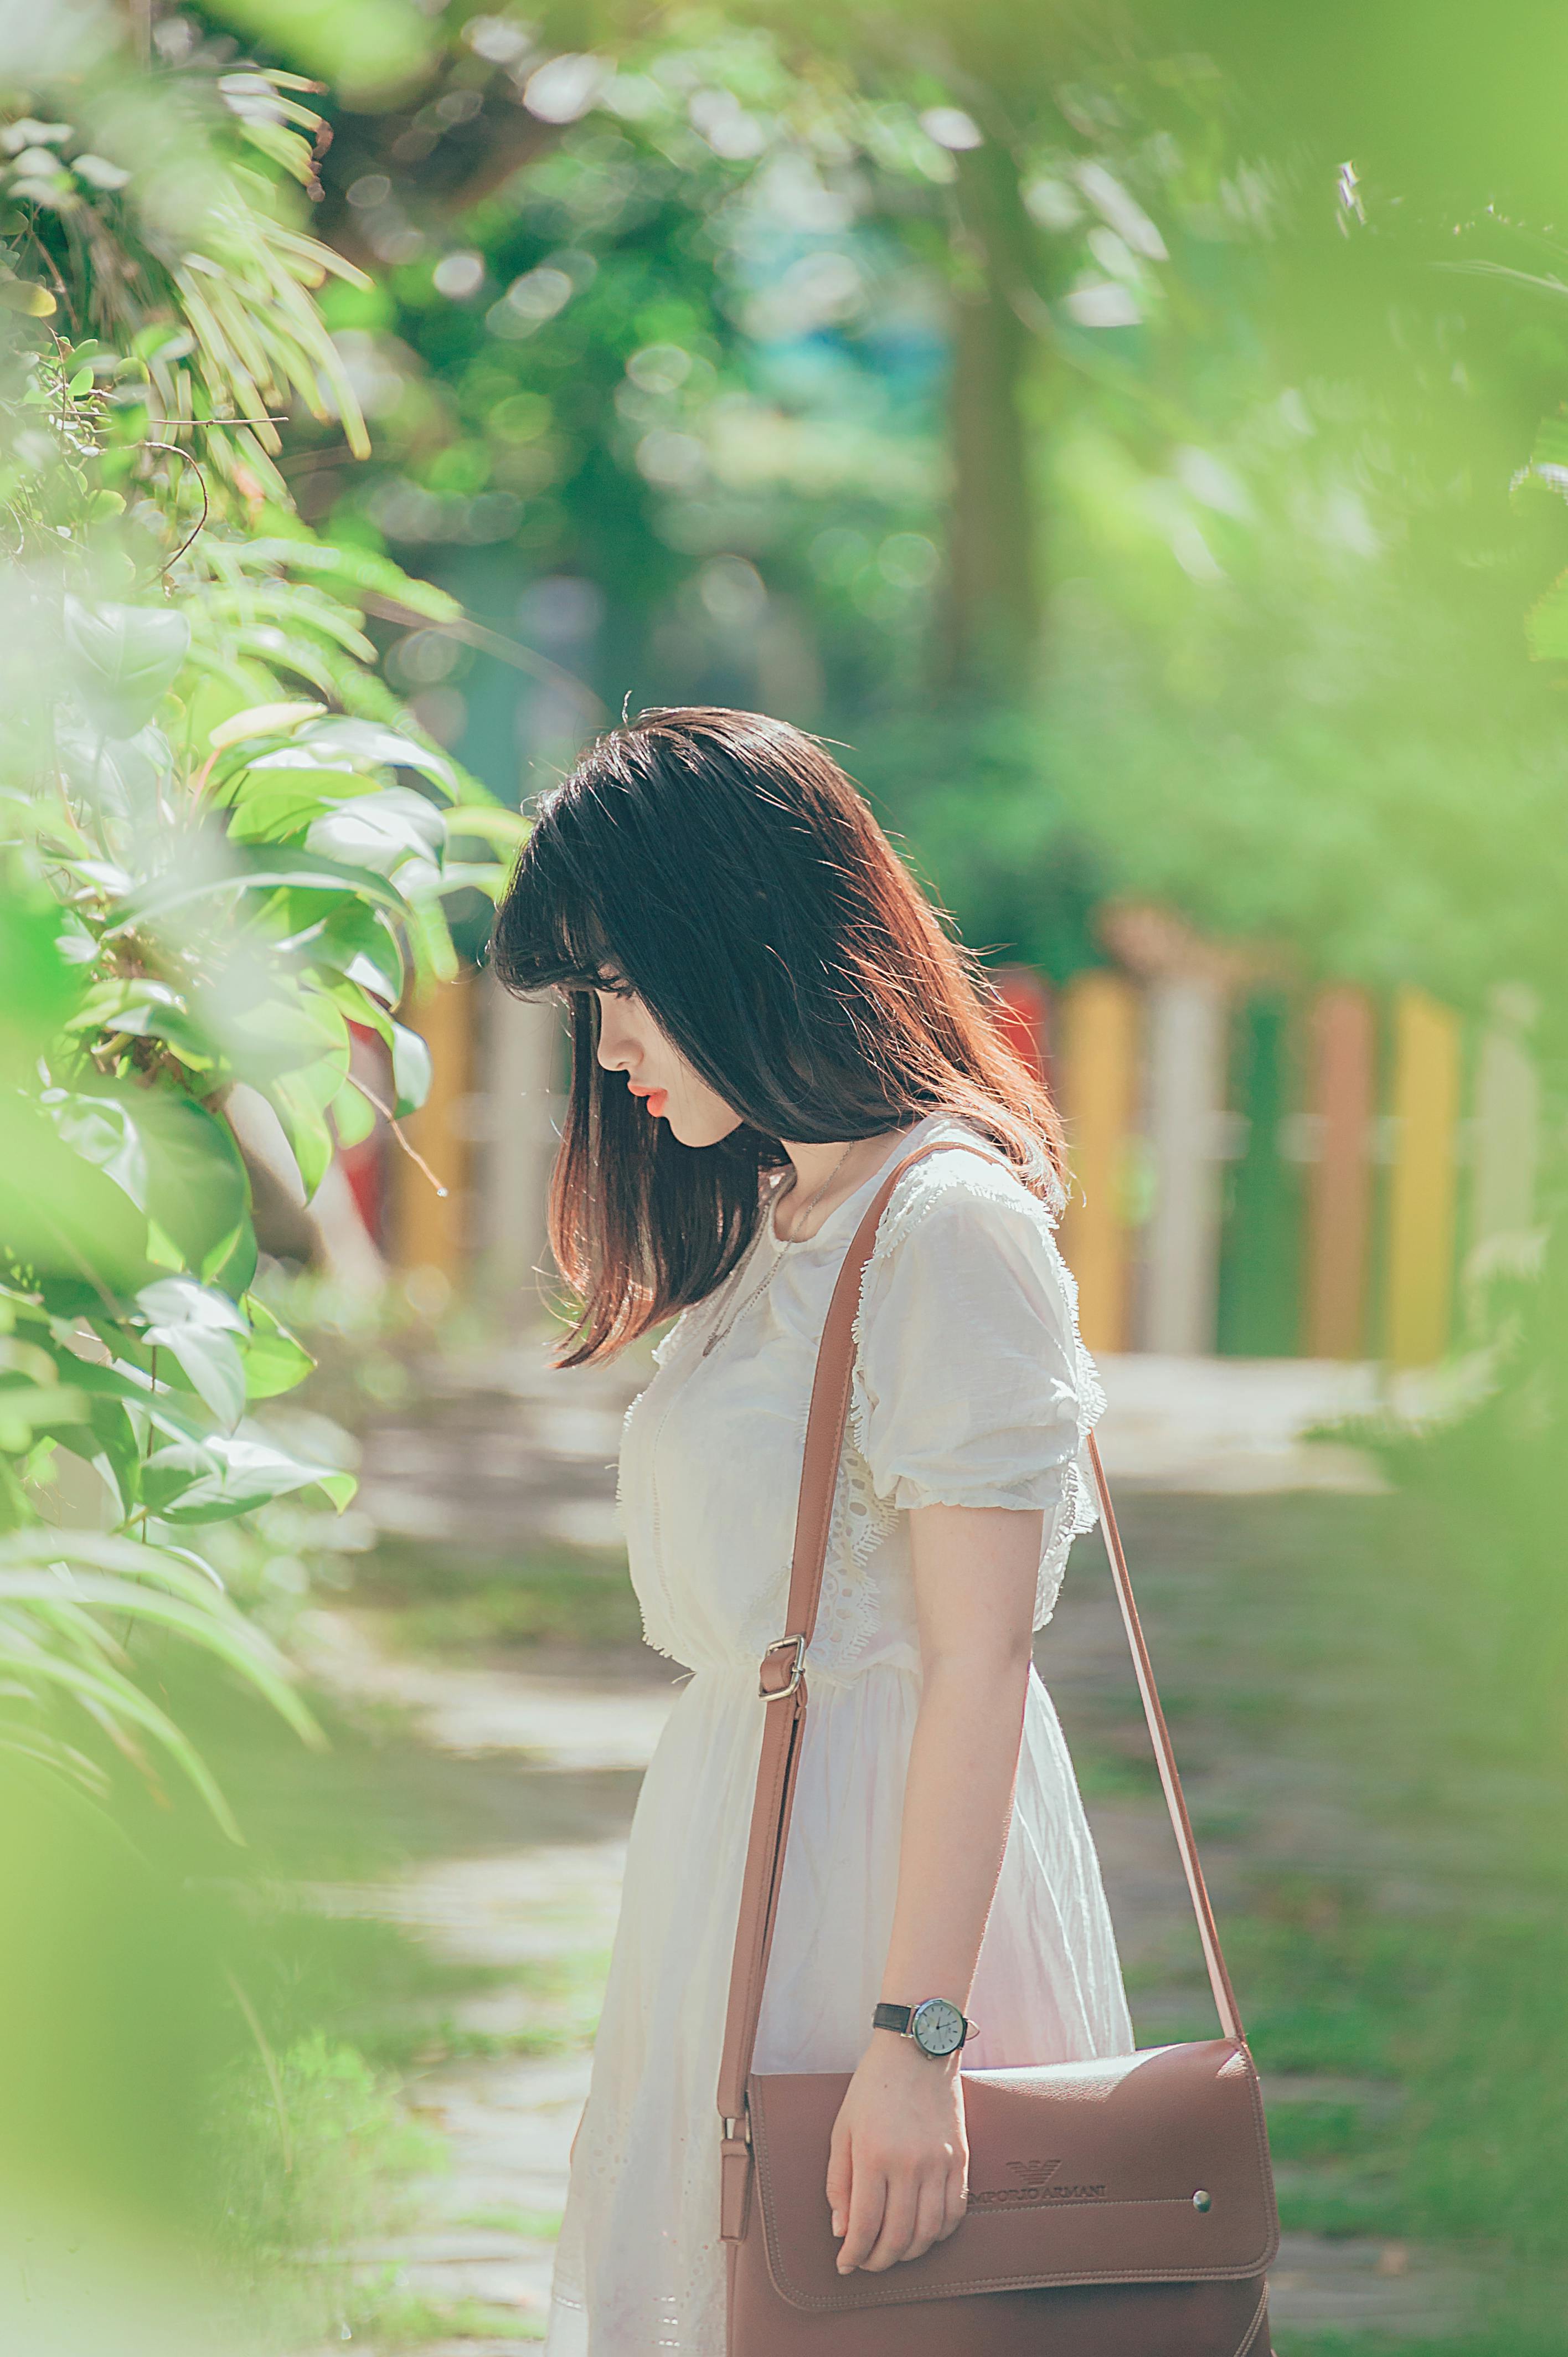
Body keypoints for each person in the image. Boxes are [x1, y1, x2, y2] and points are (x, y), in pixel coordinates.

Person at [491, 708, 1132, 2355]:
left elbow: (978, 1663)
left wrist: (918, 2040)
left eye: (624, 986)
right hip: (738, 1849)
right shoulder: (783, 1213)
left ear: (735, 945)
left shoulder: (947, 1226)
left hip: (874, 1883)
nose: (611, 1046)